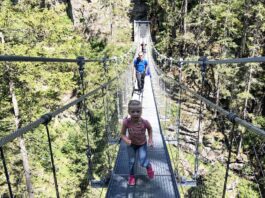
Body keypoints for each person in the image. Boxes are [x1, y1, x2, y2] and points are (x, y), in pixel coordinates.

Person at [121, 100, 155, 186]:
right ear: (129, 112)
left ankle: (148, 166)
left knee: (143, 162)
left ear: (141, 112)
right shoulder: (126, 122)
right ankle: (131, 176)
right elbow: (122, 134)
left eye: (138, 111)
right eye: (133, 111)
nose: (135, 113)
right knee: (131, 162)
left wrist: (150, 139)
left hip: (142, 144)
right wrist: (126, 140)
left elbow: (150, 128)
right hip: (131, 145)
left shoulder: (145, 122)